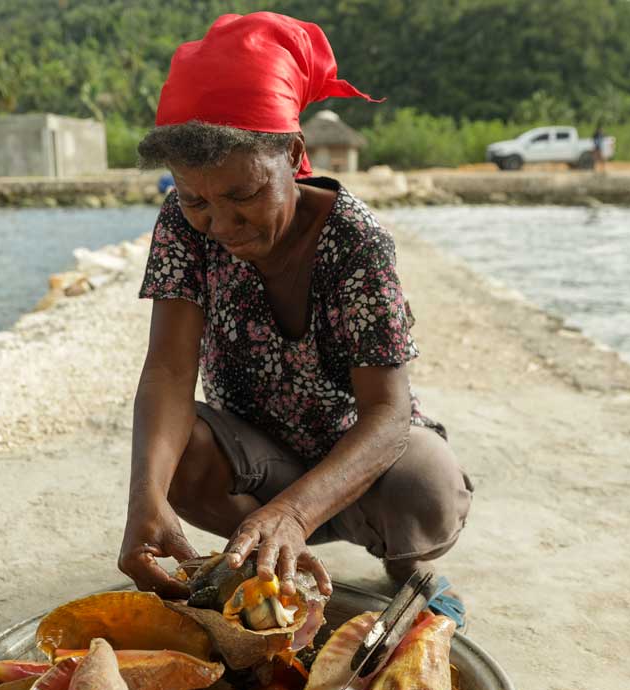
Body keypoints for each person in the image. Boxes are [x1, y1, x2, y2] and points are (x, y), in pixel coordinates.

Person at [117, 12, 472, 626]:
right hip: (256, 458)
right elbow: (170, 371)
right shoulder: (181, 224)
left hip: (360, 461)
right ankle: (262, 563)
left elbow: (387, 416)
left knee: (427, 483)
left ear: (294, 154)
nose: (221, 227)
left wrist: (294, 513)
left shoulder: (356, 241)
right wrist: (144, 500)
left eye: (245, 195)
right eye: (197, 200)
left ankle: (393, 559)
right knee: (174, 452)